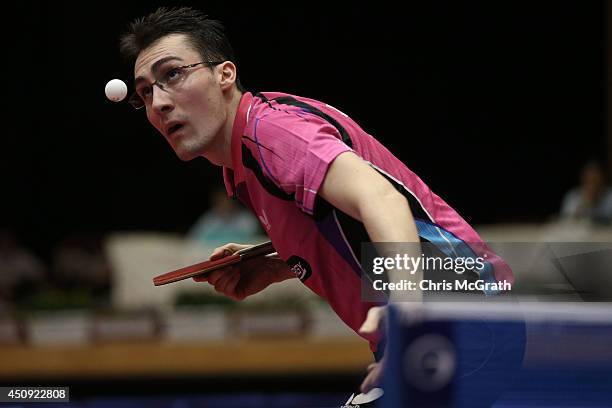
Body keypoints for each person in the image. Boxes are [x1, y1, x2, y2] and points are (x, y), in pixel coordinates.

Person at [119, 7, 513, 394]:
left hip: (459, 315)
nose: (159, 103)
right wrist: (280, 266)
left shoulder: (270, 132)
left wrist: (410, 322)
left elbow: (382, 200)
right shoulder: (244, 163)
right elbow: (343, 225)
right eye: (145, 93)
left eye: (173, 75)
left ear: (225, 74)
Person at [187, 186, 261, 248]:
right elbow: (194, 241)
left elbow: (253, 241)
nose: (224, 203)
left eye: (226, 200)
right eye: (220, 200)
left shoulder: (246, 219)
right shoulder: (208, 219)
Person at [560, 160, 612, 225]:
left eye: (595, 180)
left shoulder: (610, 196)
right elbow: (565, 222)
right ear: (583, 179)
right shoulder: (573, 197)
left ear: (602, 179)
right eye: (590, 180)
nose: (593, 185)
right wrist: (583, 205)